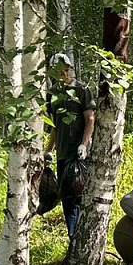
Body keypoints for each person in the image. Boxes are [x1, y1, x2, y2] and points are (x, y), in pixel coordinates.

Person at [44, 53, 95, 237]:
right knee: (67, 202)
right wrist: (49, 151)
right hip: (63, 157)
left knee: (80, 200)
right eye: (61, 72)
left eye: (67, 70)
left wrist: (84, 145)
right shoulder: (53, 95)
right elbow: (55, 127)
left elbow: (90, 120)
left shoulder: (82, 89)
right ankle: (73, 240)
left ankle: (81, 238)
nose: (65, 75)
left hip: (80, 157)